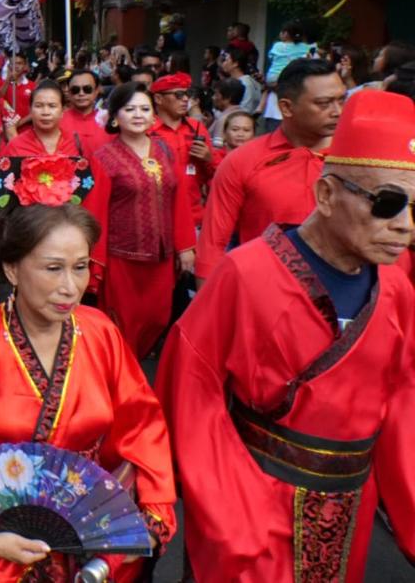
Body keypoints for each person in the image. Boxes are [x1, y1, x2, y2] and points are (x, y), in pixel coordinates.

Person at [157, 89, 415, 582]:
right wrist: (229, 511)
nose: (404, 227)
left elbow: (404, 410)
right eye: (387, 203)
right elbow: (192, 395)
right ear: (325, 194)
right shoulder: (246, 273)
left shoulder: (398, 287)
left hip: (351, 505)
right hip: (253, 495)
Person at [0, 204, 177, 581]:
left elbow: (143, 428)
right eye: (53, 268)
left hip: (90, 537)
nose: (71, 286)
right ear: (12, 270)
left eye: (80, 267)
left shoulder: (101, 333)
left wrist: (148, 516)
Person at [197, 58, 345, 280]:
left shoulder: (358, 161)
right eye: (324, 103)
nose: (337, 111)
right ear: (286, 107)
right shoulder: (243, 161)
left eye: (342, 100)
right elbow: (213, 244)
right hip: (261, 292)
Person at [86, 83, 194, 358]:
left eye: (144, 109)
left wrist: (185, 246)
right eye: (129, 109)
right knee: (121, 326)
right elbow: (95, 212)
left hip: (161, 258)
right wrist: (94, 263)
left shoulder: (166, 150)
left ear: (153, 115)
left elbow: (179, 199)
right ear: (114, 117)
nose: (138, 115)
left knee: (158, 318)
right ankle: (120, 383)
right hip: (121, 259)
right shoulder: (103, 158)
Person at [149, 73, 213, 229]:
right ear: (158, 99)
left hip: (194, 216)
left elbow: (214, 175)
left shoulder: (197, 128)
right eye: (179, 95)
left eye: (187, 94)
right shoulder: (146, 130)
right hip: (156, 218)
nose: (185, 99)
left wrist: (208, 158)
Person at [58, 68, 107, 145]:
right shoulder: (58, 120)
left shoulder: (107, 120)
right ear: (69, 93)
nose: (81, 93)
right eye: (75, 90)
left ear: (96, 91)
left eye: (87, 89)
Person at [207, 77, 246, 145]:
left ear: (228, 98)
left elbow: (217, 147)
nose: (213, 97)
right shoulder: (245, 115)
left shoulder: (224, 119)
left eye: (216, 94)